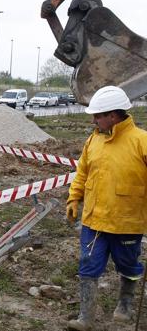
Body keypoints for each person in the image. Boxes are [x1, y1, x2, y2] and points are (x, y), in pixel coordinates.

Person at [66, 86, 147, 330]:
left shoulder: (141, 141)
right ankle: (86, 317)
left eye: (98, 116)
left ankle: (125, 304)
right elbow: (82, 172)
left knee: (129, 265)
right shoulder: (93, 140)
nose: (93, 120)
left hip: (127, 221)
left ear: (113, 115)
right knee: (88, 264)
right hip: (95, 219)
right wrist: (73, 198)